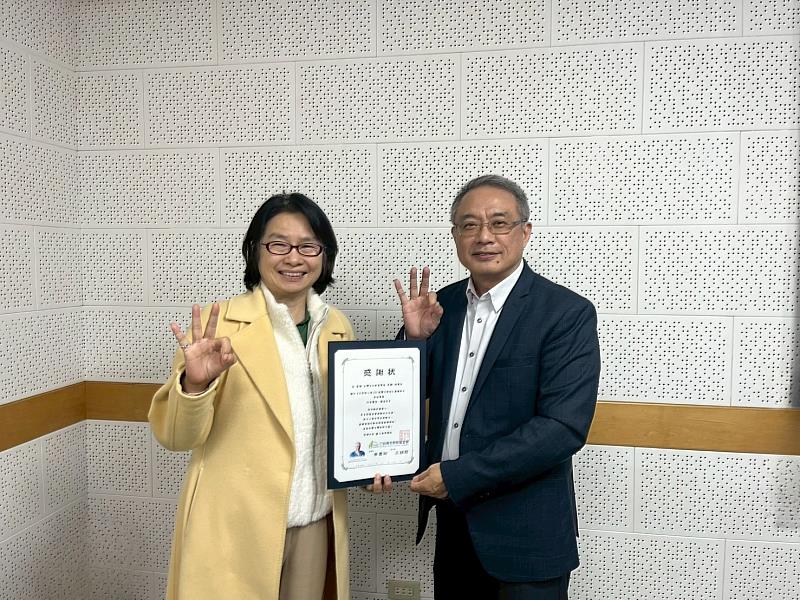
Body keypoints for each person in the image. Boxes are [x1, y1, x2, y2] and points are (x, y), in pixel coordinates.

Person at [389, 175, 601, 599]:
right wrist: (414, 338)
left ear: (525, 232)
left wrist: (456, 476)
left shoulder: (566, 313)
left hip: (527, 534)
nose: (484, 236)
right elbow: (401, 396)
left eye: (499, 223)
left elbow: (562, 428)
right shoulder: (440, 306)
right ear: (455, 235)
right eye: (469, 225)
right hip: (455, 525)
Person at [149, 193, 361, 600]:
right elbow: (176, 437)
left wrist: (368, 467)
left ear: (324, 256)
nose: (293, 258)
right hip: (235, 525)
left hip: (315, 519)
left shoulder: (336, 325)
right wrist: (195, 386)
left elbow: (349, 423)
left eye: (308, 246)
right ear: (255, 250)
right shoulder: (217, 326)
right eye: (278, 244)